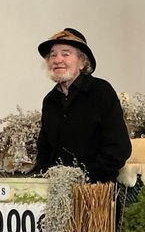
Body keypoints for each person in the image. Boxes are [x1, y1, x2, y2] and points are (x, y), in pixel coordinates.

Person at [34, 28, 131, 183]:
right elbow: (44, 151)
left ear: (82, 62)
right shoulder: (50, 101)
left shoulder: (101, 92)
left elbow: (118, 148)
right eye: (53, 55)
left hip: (96, 193)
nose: (57, 59)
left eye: (65, 53)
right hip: (56, 193)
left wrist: (84, 177)